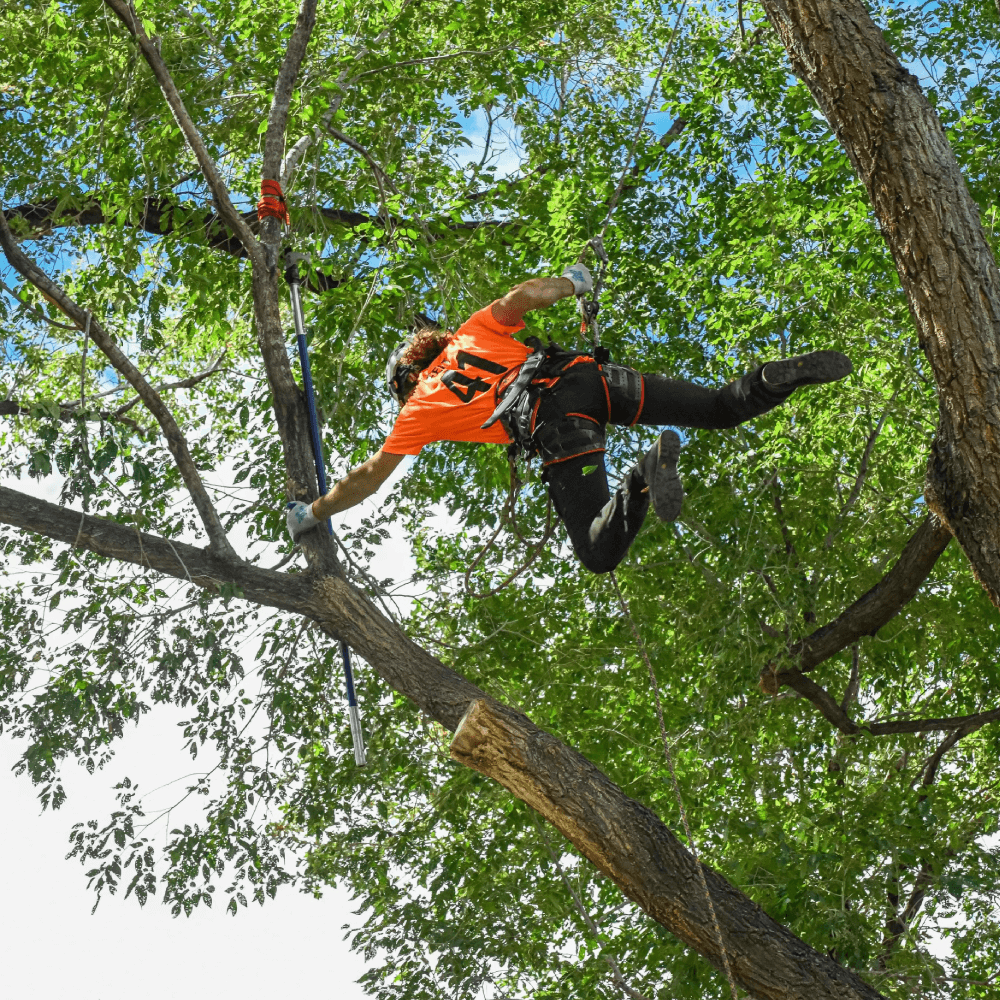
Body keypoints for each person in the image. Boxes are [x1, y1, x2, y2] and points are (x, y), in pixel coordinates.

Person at [285, 264, 851, 574]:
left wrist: (312, 513)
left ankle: (643, 475)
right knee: (722, 411)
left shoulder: (418, 409)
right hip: (591, 381)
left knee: (597, 551)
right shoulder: (471, 333)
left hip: (554, 418)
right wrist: (574, 282)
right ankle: (773, 378)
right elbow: (524, 296)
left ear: (410, 376)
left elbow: (368, 476)